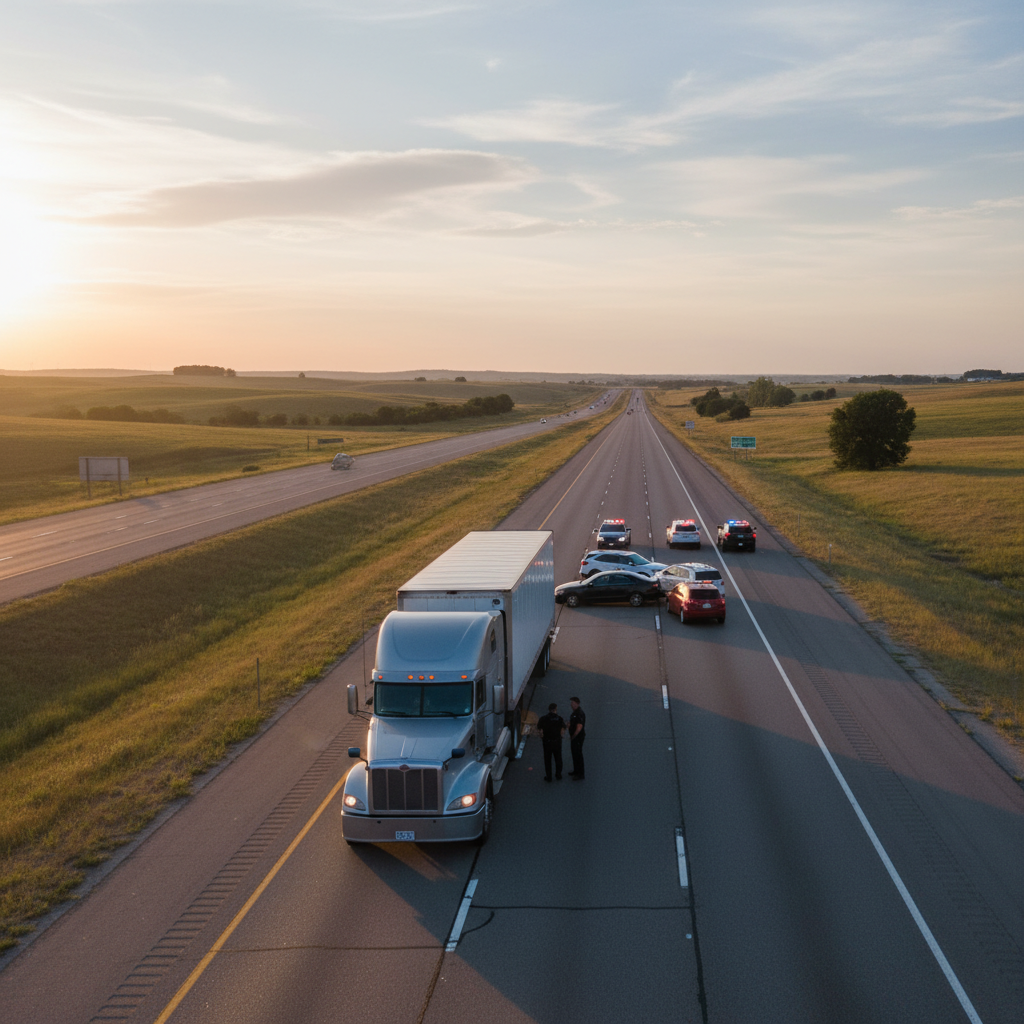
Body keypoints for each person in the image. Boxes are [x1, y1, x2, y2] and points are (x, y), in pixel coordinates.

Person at [536, 703, 566, 781]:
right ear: (555, 709)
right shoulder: (559, 719)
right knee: (558, 758)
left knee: (547, 759)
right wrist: (562, 736)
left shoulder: (543, 719)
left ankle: (549, 776)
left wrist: (541, 736)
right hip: (557, 741)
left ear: (549, 709)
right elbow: (562, 730)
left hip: (547, 742)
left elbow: (540, 730)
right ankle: (558, 775)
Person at [567, 697, 586, 780]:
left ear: (577, 703)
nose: (571, 705)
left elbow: (579, 726)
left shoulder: (579, 713)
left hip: (578, 738)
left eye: (573, 703)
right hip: (575, 737)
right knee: (574, 754)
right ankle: (576, 770)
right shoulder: (575, 712)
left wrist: (573, 736)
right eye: (571, 703)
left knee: (578, 755)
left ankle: (580, 773)